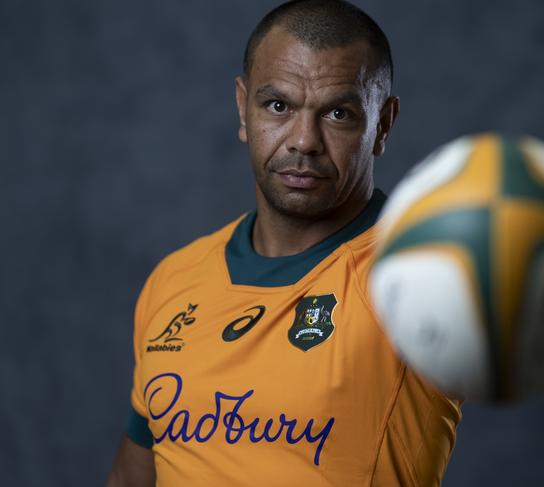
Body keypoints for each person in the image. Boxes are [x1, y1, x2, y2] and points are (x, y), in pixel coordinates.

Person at [106, 1, 461, 485]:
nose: (303, 141)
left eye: (338, 113)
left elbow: (513, 273)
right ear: (242, 107)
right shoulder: (175, 280)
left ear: (382, 125)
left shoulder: (421, 273)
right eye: (278, 106)